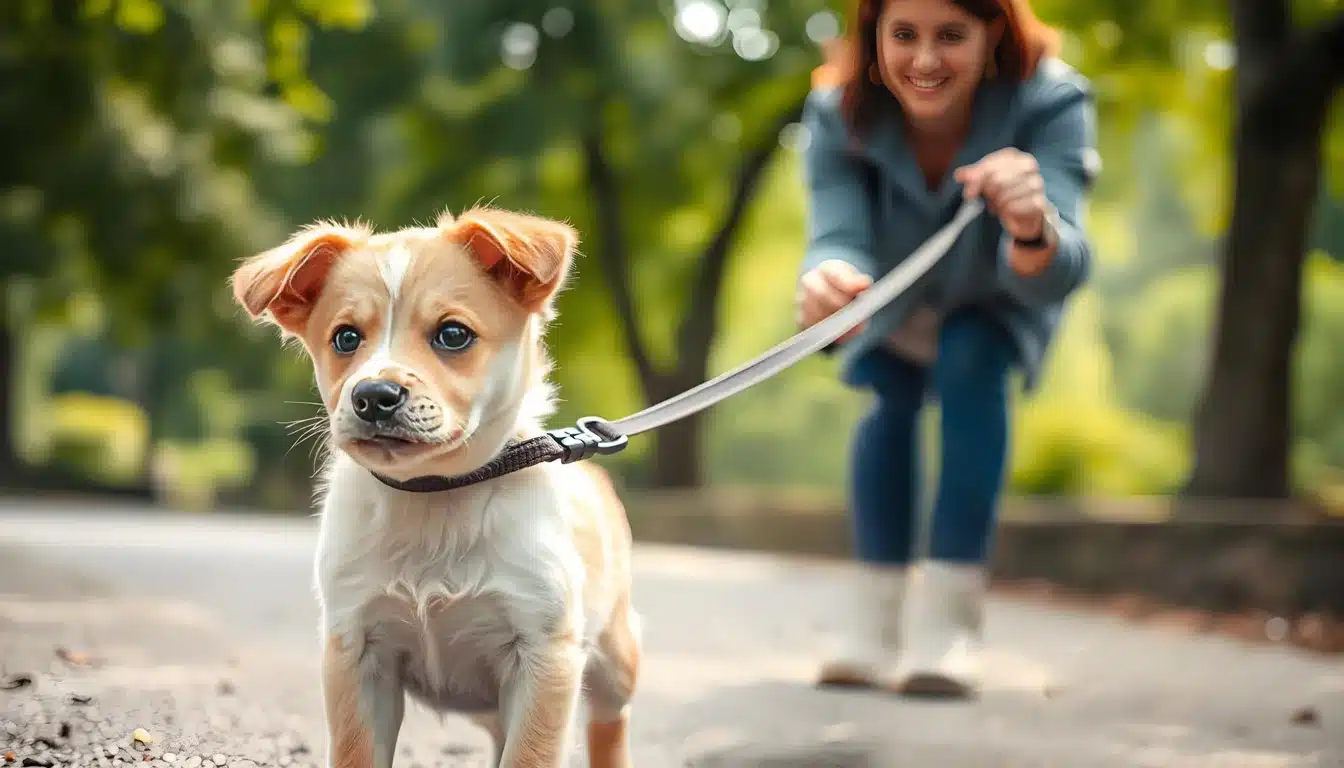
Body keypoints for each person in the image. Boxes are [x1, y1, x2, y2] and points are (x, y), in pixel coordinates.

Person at [796, 0, 1099, 698]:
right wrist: (829, 280)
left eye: (950, 36)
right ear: (873, 36)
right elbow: (835, 230)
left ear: (992, 31)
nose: (925, 61)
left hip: (999, 297)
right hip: (895, 299)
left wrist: (1031, 222)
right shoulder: (835, 111)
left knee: (971, 365)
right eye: (903, 34)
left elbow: (1066, 266)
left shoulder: (1052, 100)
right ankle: (871, 628)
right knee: (889, 400)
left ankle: (949, 628)